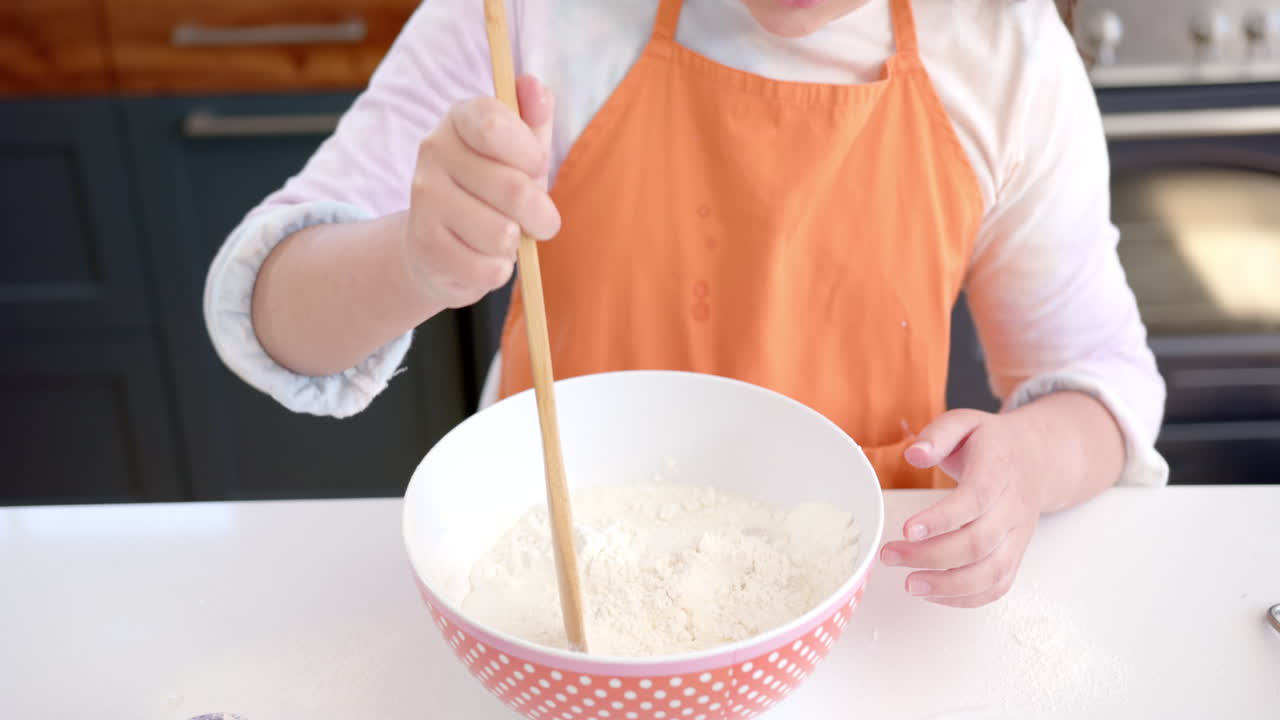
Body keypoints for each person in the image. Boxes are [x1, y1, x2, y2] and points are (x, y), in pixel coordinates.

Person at [205, 0, 1168, 608]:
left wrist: (1028, 467)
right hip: (553, 602)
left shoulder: (1007, 54)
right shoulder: (528, 19)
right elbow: (271, 316)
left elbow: (1102, 387)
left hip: (865, 622)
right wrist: (414, 261)